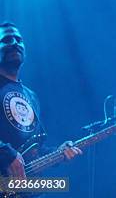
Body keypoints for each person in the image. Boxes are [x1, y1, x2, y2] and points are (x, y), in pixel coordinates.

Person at [0, 22, 82, 178]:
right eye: (7, 40)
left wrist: (58, 152)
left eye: (19, 40)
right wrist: (7, 154)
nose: (15, 43)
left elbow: (36, 150)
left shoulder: (31, 96)